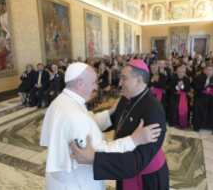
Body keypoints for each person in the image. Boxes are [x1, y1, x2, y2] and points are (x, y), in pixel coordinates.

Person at [40, 62, 161, 190]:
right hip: (77, 184)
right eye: (93, 82)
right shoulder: (74, 114)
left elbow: (88, 121)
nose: (96, 87)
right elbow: (99, 152)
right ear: (80, 83)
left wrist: (108, 114)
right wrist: (134, 140)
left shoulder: (61, 101)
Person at [69, 60, 169, 190]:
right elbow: (116, 121)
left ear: (138, 80)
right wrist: (81, 121)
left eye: (124, 78)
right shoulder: (126, 98)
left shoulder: (154, 110)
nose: (119, 83)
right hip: (123, 166)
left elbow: (141, 158)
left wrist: (95, 159)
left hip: (146, 177)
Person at [192, 64, 213, 135]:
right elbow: (195, 87)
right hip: (201, 96)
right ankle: (196, 125)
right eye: (208, 69)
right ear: (205, 70)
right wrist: (204, 85)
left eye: (211, 69)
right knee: (197, 105)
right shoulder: (200, 77)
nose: (209, 71)